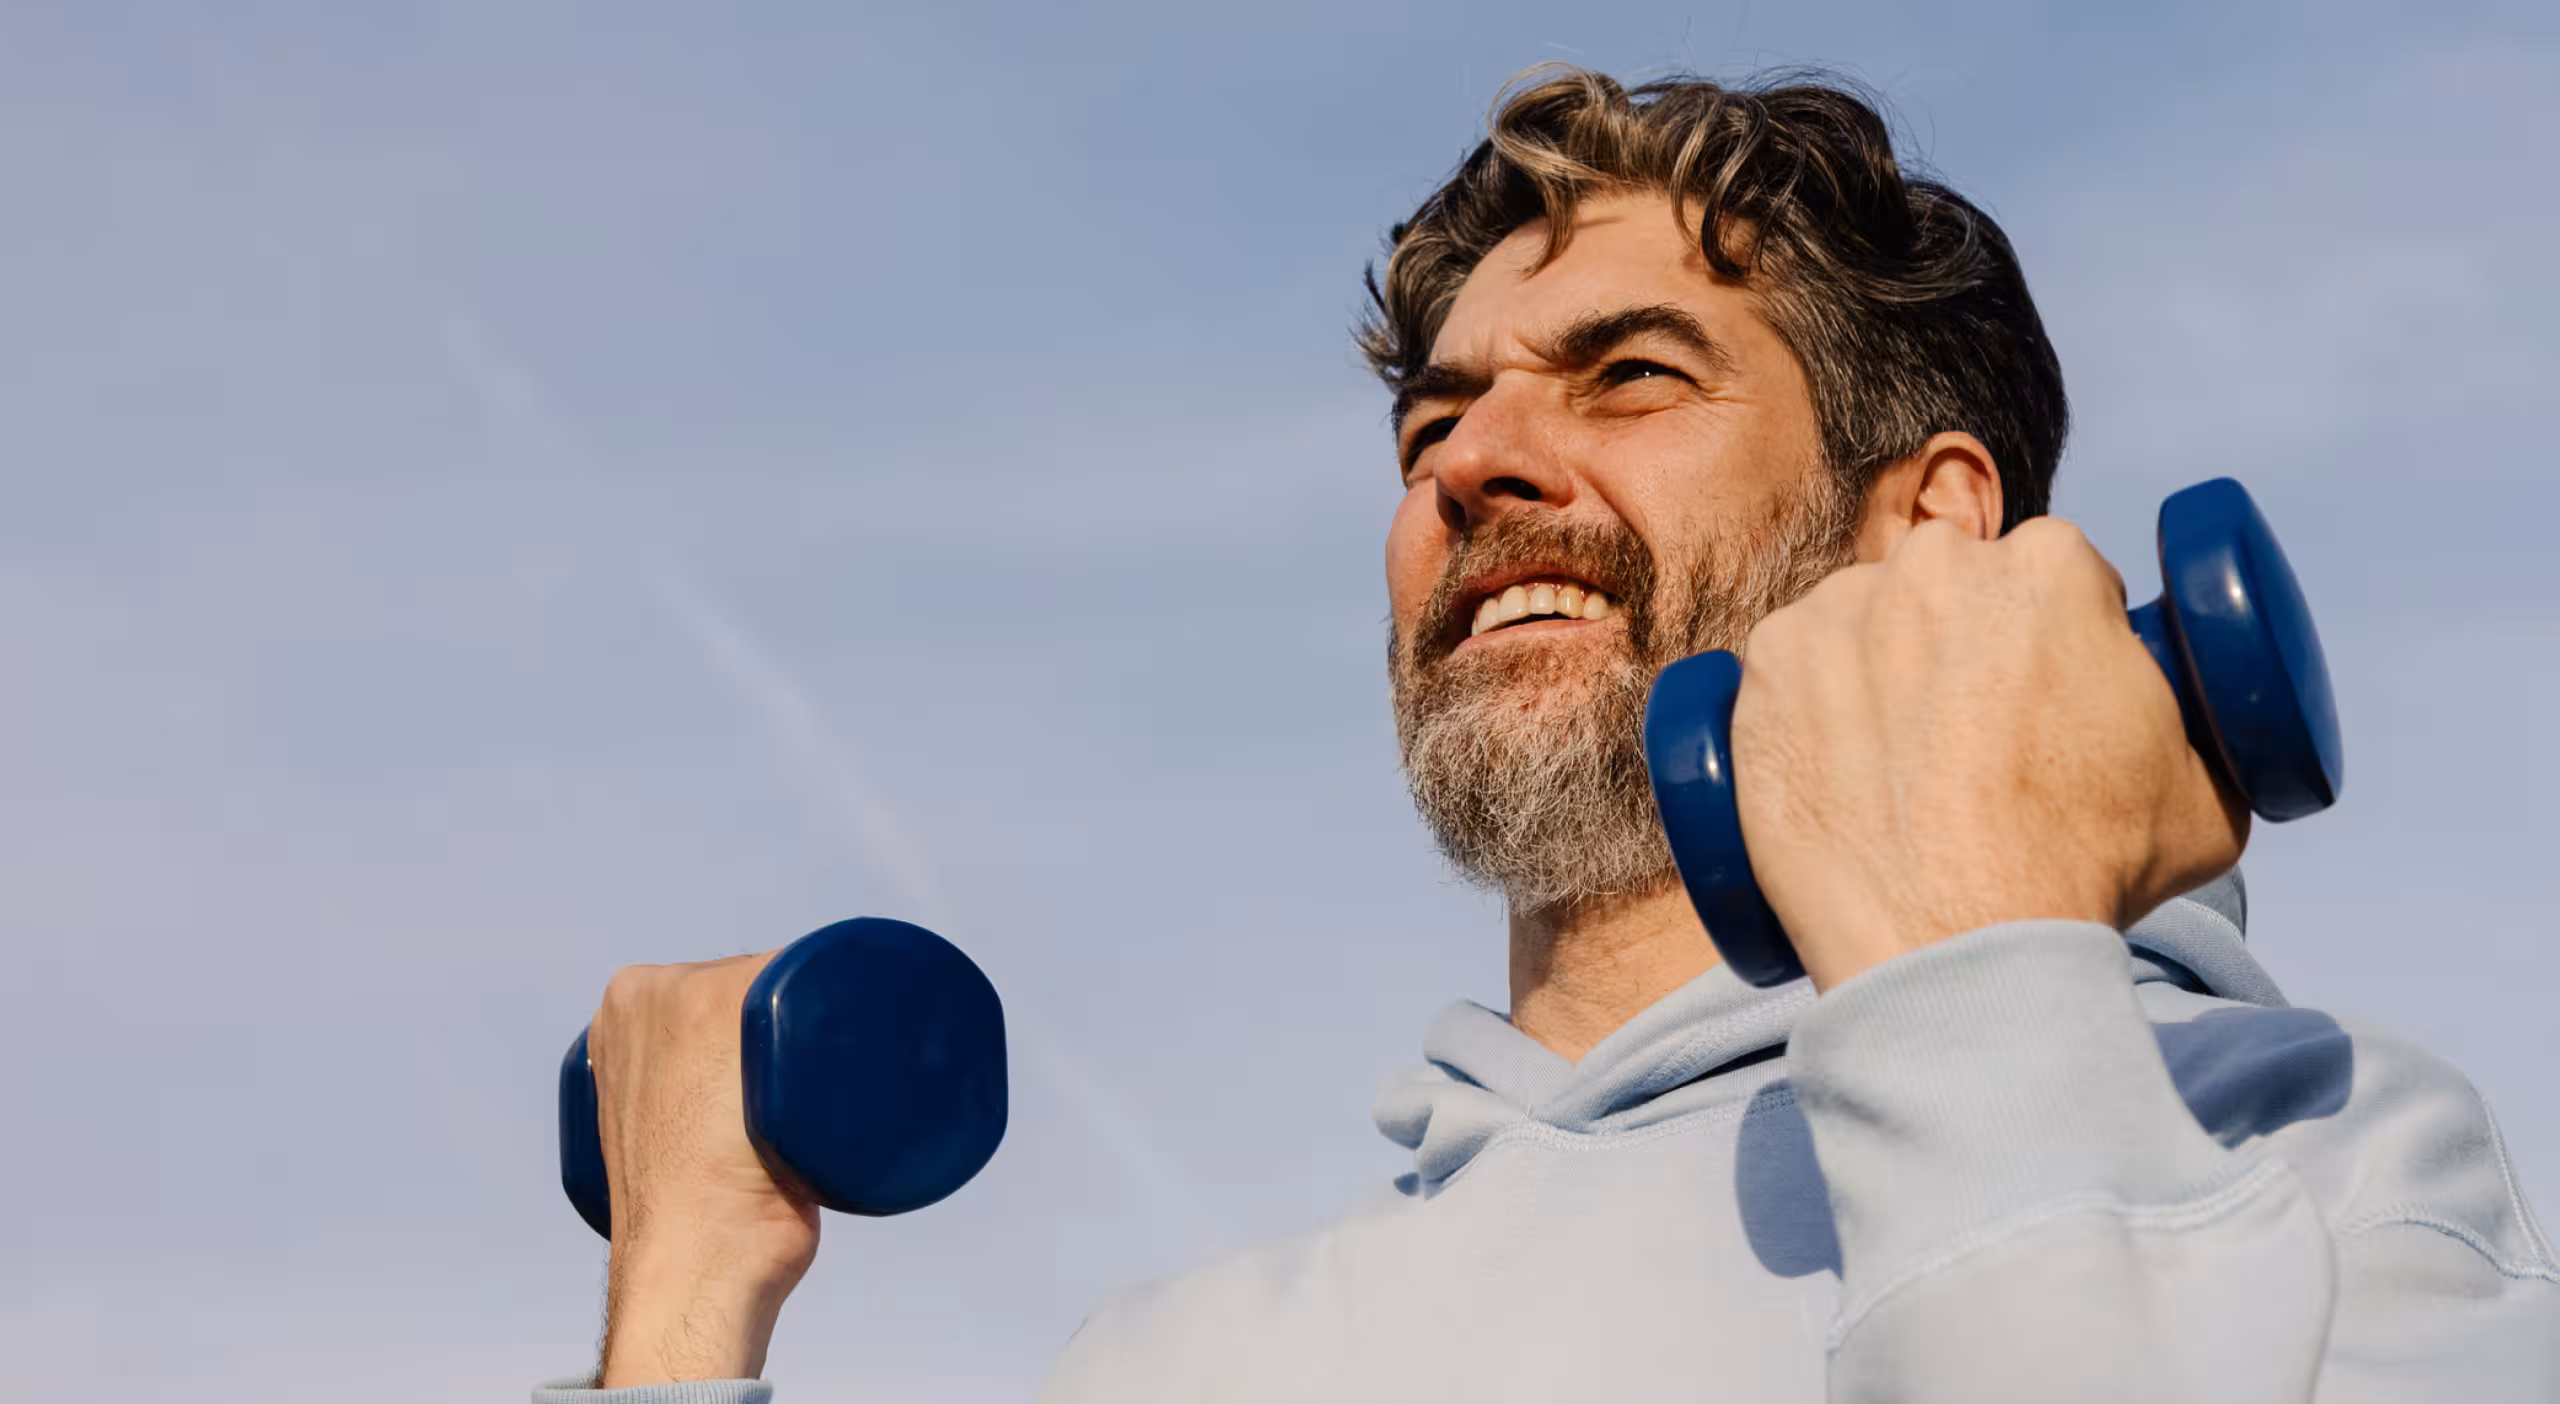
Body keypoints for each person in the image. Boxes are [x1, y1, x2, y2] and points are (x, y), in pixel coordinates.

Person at [540, 68, 2560, 1402]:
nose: (1477, 461)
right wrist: (680, 1320)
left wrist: (1974, 974)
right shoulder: (1181, 1362)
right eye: (1433, 422)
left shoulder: (2312, 1164)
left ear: (1931, 523)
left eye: (1626, 376)